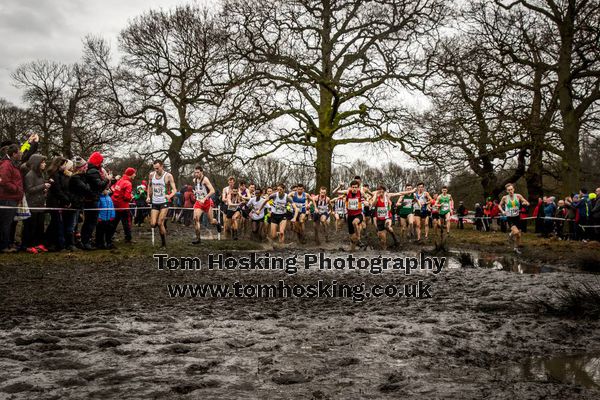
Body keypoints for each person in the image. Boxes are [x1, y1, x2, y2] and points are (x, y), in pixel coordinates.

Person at [81, 152, 111, 250]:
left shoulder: (89, 170)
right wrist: (107, 179)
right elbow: (99, 185)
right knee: (91, 222)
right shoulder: (94, 171)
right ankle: (86, 242)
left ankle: (86, 241)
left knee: (89, 221)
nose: (102, 163)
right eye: (101, 161)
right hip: (92, 199)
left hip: (90, 198)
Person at [0, 144, 25, 253]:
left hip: (12, 198)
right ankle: (3, 246)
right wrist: (17, 189)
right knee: (5, 223)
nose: (21, 154)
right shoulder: (6, 165)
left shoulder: (12, 164)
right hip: (7, 198)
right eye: (19, 152)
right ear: (14, 154)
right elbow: (4, 182)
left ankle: (6, 244)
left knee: (7, 223)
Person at [147, 160, 177, 249]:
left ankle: (163, 244)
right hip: (155, 202)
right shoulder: (151, 175)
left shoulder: (168, 176)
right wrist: (148, 196)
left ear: (162, 166)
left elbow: (174, 189)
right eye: (155, 168)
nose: (156, 170)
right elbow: (149, 186)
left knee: (160, 223)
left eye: (157, 168)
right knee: (153, 224)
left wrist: (170, 195)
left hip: (164, 202)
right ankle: (163, 222)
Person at [22, 154, 48, 253]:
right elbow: (29, 189)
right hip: (32, 205)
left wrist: (45, 188)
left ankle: (38, 244)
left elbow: (39, 187)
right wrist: (43, 186)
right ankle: (27, 245)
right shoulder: (30, 175)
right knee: (30, 227)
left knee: (39, 226)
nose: (44, 164)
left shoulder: (41, 174)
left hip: (40, 204)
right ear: (37, 163)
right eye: (42, 162)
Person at [45, 157, 73, 251]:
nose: (65, 166)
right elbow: (57, 190)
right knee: (57, 223)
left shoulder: (60, 174)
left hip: (58, 201)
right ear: (60, 164)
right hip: (54, 202)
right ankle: (56, 244)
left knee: (54, 223)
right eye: (64, 164)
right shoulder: (54, 174)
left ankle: (50, 242)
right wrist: (66, 200)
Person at [190, 166, 221, 244]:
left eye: (198, 172)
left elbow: (212, 190)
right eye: (195, 172)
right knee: (195, 218)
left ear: (201, 172)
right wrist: (195, 194)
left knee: (211, 221)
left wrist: (205, 198)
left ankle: (217, 223)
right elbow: (198, 190)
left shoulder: (205, 179)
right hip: (199, 202)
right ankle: (198, 239)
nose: (196, 174)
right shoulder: (194, 180)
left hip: (207, 202)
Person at [499, 183, 530, 254]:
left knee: (518, 235)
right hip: (510, 218)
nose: (510, 191)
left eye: (511, 189)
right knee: (516, 232)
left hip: (517, 217)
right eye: (508, 190)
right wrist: (502, 211)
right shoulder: (505, 198)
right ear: (507, 191)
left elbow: (527, 203)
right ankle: (511, 235)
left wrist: (525, 203)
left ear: (514, 189)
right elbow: (499, 205)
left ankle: (516, 248)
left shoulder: (518, 196)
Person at [111, 167, 136, 244]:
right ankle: (128, 238)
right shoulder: (128, 183)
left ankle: (109, 236)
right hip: (123, 206)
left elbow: (113, 188)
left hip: (115, 204)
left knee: (114, 222)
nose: (135, 175)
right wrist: (131, 197)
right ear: (131, 174)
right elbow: (126, 197)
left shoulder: (119, 181)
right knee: (127, 222)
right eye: (134, 173)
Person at [345, 180, 365, 251]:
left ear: (358, 188)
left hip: (358, 215)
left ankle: (359, 238)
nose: (354, 189)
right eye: (353, 187)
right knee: (352, 238)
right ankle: (353, 251)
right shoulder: (347, 192)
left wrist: (368, 200)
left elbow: (368, 195)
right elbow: (334, 192)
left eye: (356, 187)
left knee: (355, 222)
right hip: (350, 216)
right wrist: (339, 187)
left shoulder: (360, 192)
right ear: (351, 187)